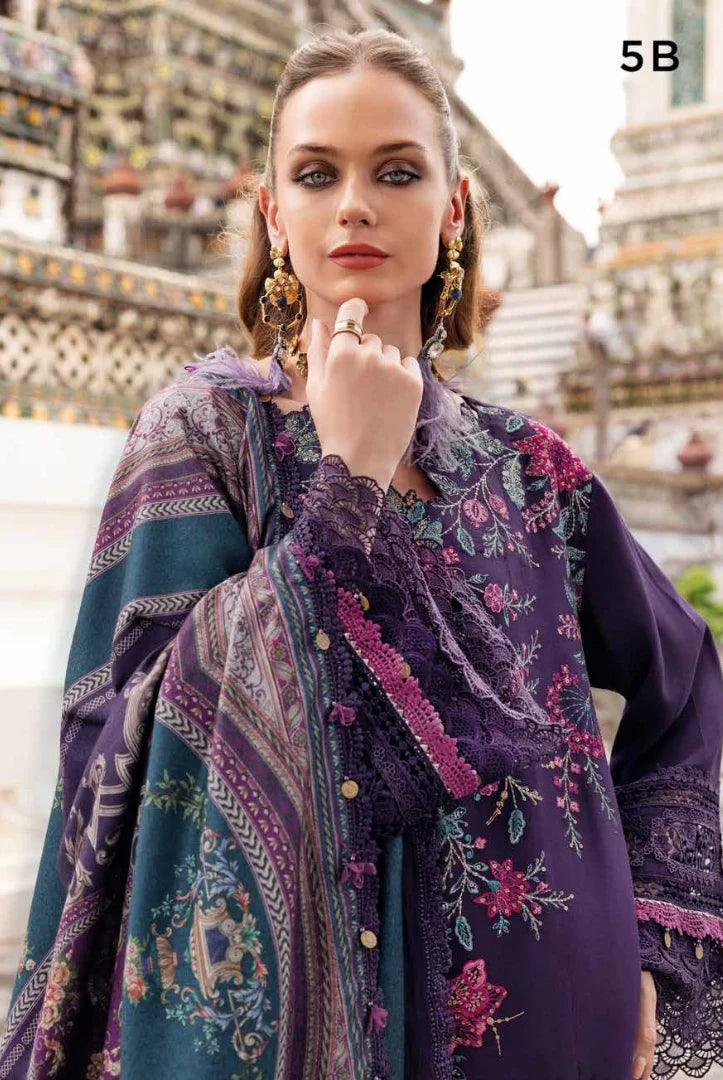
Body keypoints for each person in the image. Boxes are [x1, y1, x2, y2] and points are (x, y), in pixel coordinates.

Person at [1, 26, 722, 1080]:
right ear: (271, 211)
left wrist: (652, 943)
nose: (353, 205)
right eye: (315, 174)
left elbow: (687, 683)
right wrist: (349, 481)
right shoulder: (206, 435)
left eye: (395, 171)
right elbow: (120, 752)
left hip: (569, 1031)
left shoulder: (528, 469)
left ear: (455, 207)